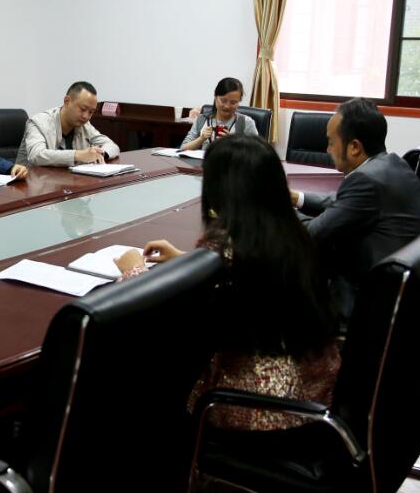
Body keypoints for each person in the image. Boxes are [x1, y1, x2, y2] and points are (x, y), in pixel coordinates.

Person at [114, 134, 340, 431]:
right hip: (316, 396)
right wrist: (189, 260)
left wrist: (134, 271)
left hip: (255, 409)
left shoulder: (225, 243)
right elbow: (247, 273)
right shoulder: (292, 233)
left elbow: (172, 320)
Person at [291, 98, 420, 318]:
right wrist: (295, 198)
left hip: (368, 300)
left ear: (355, 147)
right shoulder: (392, 164)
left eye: (331, 142)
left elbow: (312, 234)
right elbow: (341, 204)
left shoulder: (366, 181)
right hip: (403, 291)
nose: (328, 149)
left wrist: (279, 207)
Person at [15, 81, 120, 166]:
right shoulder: (38, 122)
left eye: (91, 112)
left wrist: (99, 154)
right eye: (82, 109)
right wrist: (78, 155)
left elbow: (112, 146)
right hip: (31, 182)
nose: (86, 116)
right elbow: (36, 155)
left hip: (66, 180)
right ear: (67, 101)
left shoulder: (85, 126)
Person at [180, 77, 258, 151]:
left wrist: (232, 143)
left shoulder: (245, 122)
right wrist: (201, 138)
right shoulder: (202, 119)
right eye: (223, 101)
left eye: (233, 102)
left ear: (239, 102)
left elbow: (256, 152)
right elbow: (183, 148)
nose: (227, 106)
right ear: (215, 97)